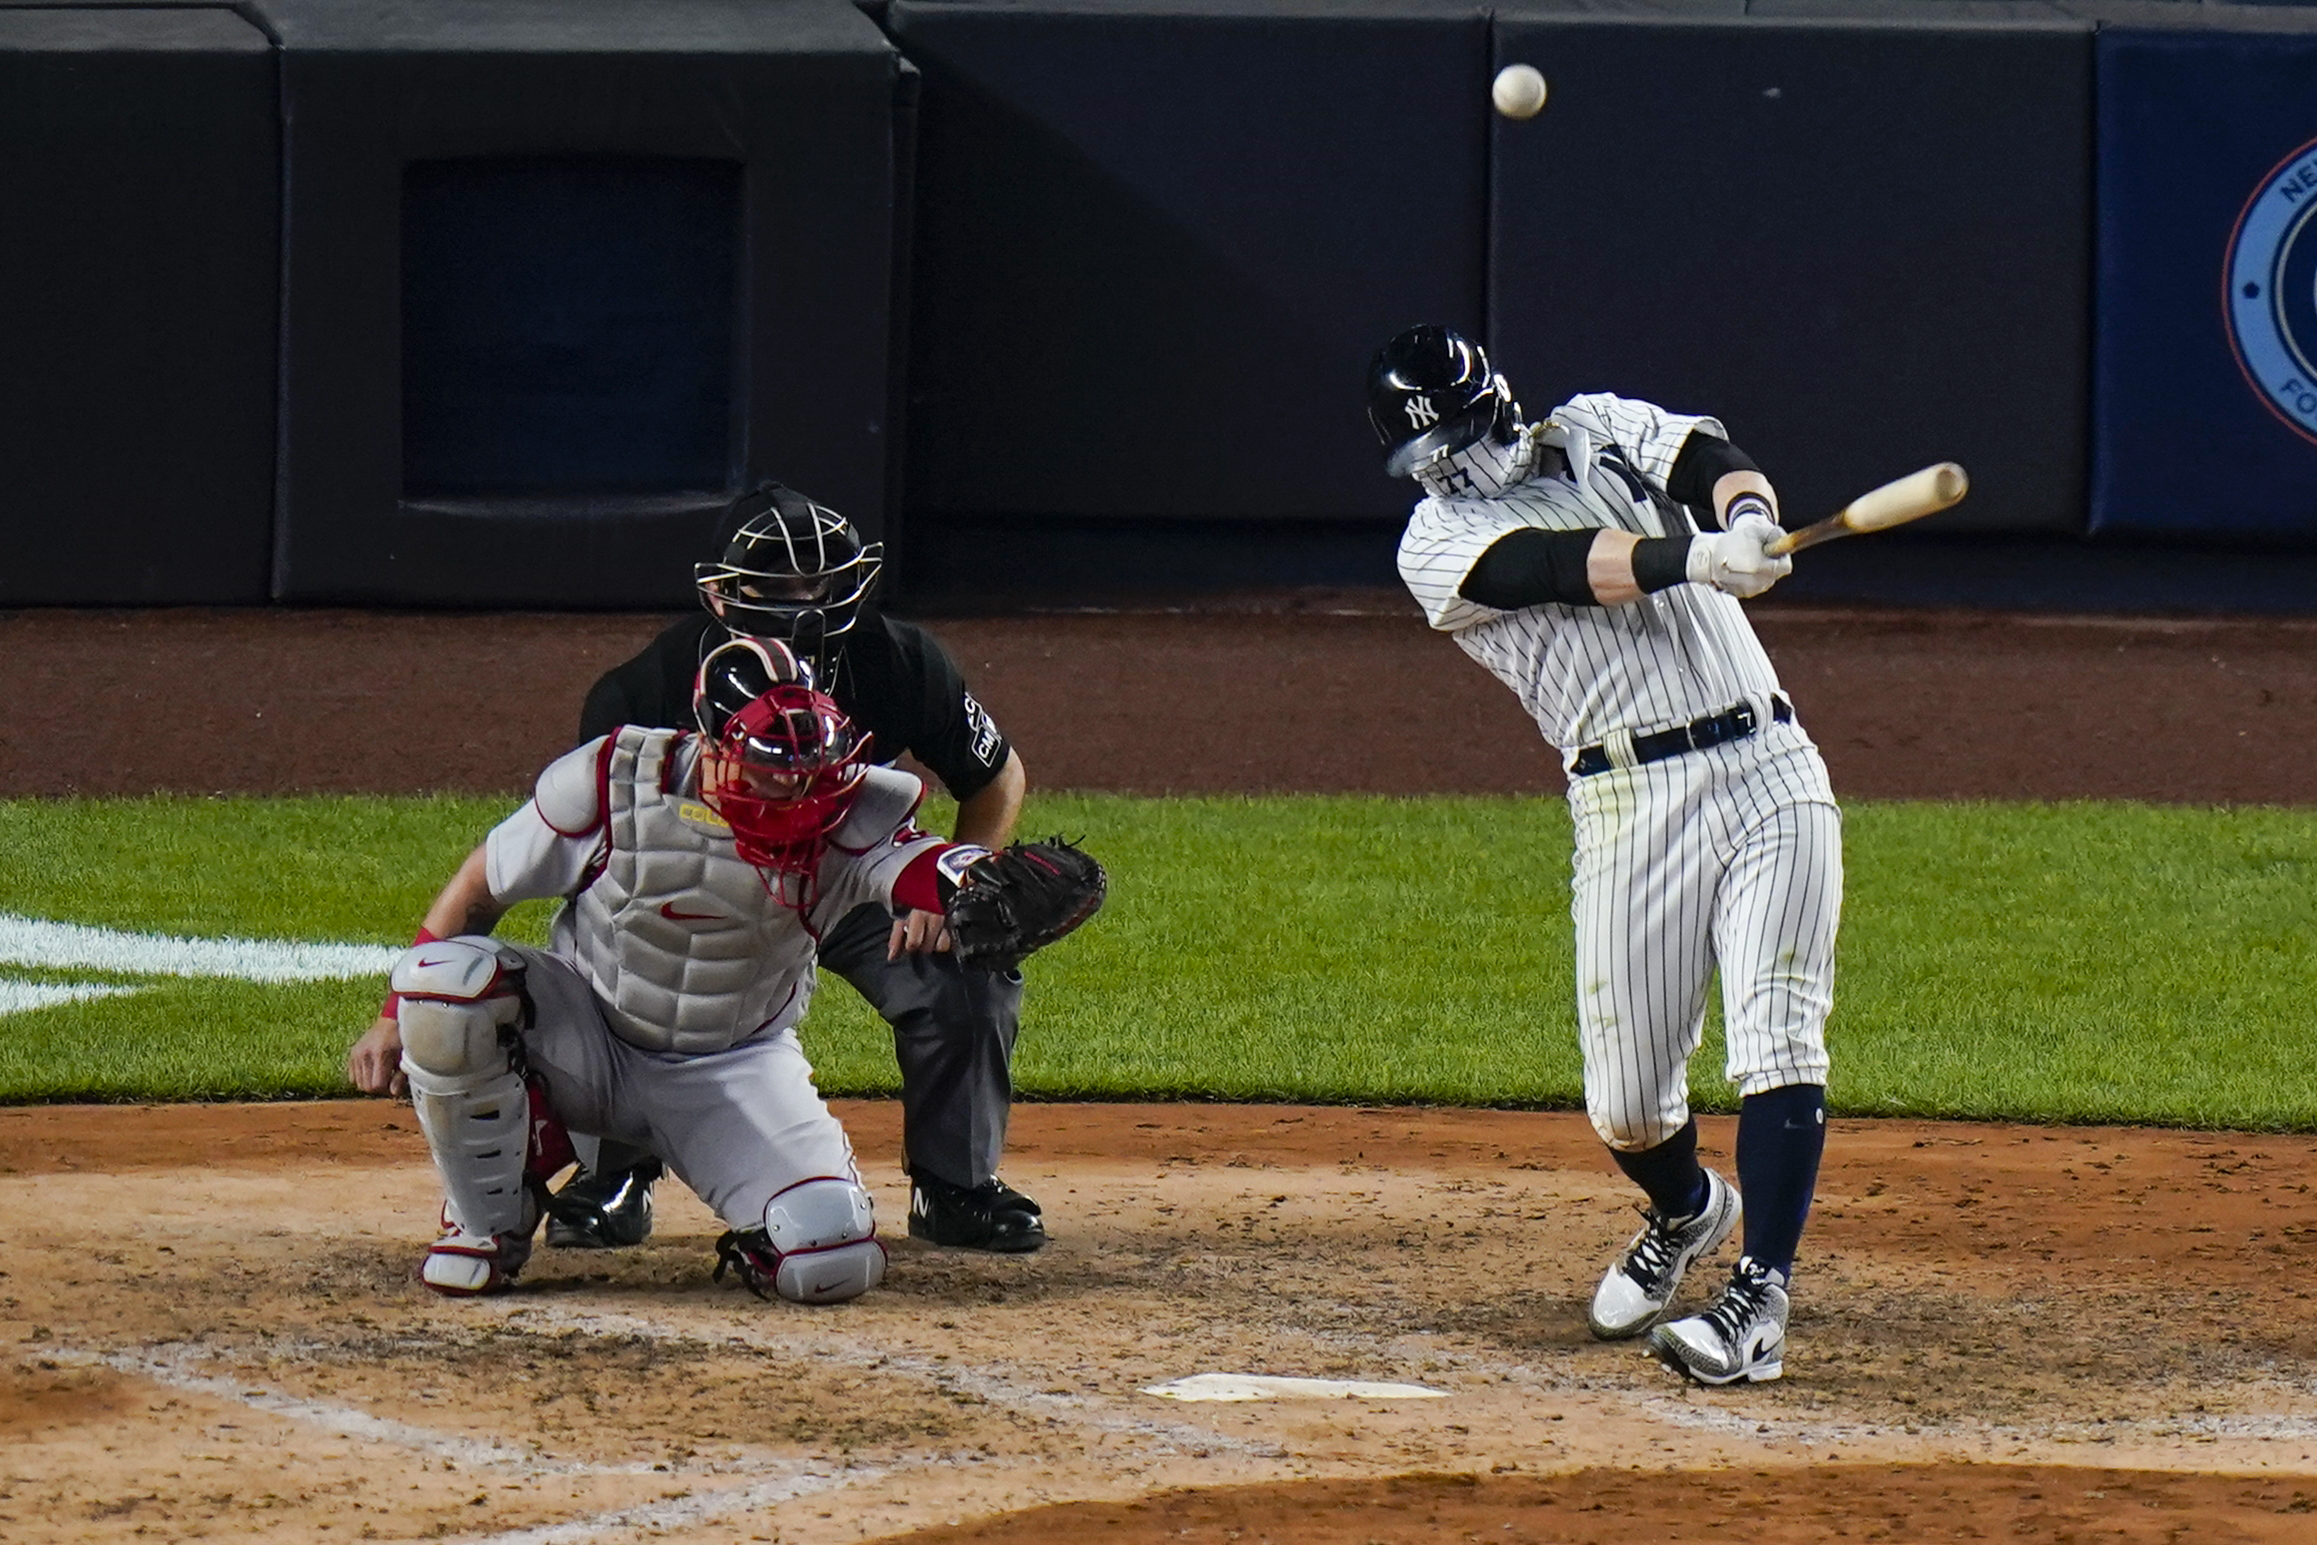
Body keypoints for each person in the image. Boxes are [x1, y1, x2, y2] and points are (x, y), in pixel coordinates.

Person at [1370, 325, 1841, 1385]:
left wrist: (1750, 519)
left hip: (1770, 764)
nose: (1447, 464)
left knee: (1776, 1033)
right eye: (1426, 454)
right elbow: (1558, 567)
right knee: (1627, 1105)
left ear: (1492, 401)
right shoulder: (1433, 548)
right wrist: (1693, 558)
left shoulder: (1598, 428)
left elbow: (1707, 463)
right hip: (1629, 800)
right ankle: (1687, 1210)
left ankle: (1759, 1297)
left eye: (1453, 437)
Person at [346, 638, 1008, 1300]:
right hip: (587, 1036)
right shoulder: (612, 781)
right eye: (771, 764)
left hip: (730, 1067)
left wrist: (974, 880)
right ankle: (492, 1215)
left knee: (830, 1256)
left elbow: (920, 864)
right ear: (715, 743)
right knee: (440, 985)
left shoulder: (843, 810)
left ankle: (757, 1232)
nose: (795, 786)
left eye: (808, 764)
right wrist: (387, 1022)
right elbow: (480, 887)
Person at [551, 484, 1044, 1254]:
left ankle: (956, 1186)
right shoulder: (643, 690)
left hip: (846, 876)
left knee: (968, 957)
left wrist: (952, 881)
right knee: (625, 970)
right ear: (722, 592)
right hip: (705, 881)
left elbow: (996, 776)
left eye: (817, 584)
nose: (803, 604)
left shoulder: (896, 658)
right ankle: (614, 1173)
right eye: (777, 588)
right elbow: (600, 851)